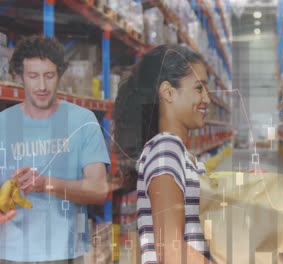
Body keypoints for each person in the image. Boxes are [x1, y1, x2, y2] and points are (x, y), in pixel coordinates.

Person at [0, 35, 110, 263]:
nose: (42, 86)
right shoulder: (2, 124)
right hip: (9, 253)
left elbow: (99, 189)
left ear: (59, 74)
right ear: (19, 77)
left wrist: (46, 184)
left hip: (67, 253)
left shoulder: (83, 121)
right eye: (33, 76)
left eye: (49, 76)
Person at [113, 44, 213, 263]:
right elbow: (171, 251)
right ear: (168, 92)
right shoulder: (165, 152)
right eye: (199, 88)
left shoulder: (177, 152)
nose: (207, 99)